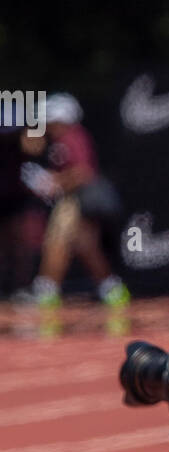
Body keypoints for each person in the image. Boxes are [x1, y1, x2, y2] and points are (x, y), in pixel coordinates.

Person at [13, 93, 130, 307]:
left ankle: (46, 291)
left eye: (49, 120)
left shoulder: (72, 137)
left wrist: (54, 182)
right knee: (86, 246)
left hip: (76, 201)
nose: (46, 125)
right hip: (71, 200)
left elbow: (84, 172)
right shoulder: (59, 140)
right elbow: (33, 147)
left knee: (56, 242)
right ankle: (111, 289)